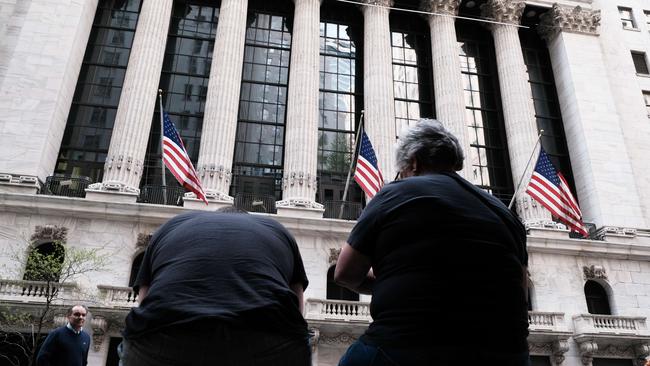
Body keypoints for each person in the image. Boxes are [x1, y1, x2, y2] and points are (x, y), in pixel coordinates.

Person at [335, 119, 530, 366]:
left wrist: (389, 281)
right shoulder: (506, 214)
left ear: (414, 162)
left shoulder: (394, 193)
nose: (402, 176)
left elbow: (344, 272)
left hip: (408, 348)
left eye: (402, 170)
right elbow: (520, 291)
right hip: (508, 355)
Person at [120, 207, 310, 366]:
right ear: (246, 219)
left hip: (162, 340)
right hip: (270, 343)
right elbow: (298, 309)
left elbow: (144, 298)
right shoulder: (277, 229)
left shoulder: (171, 226)